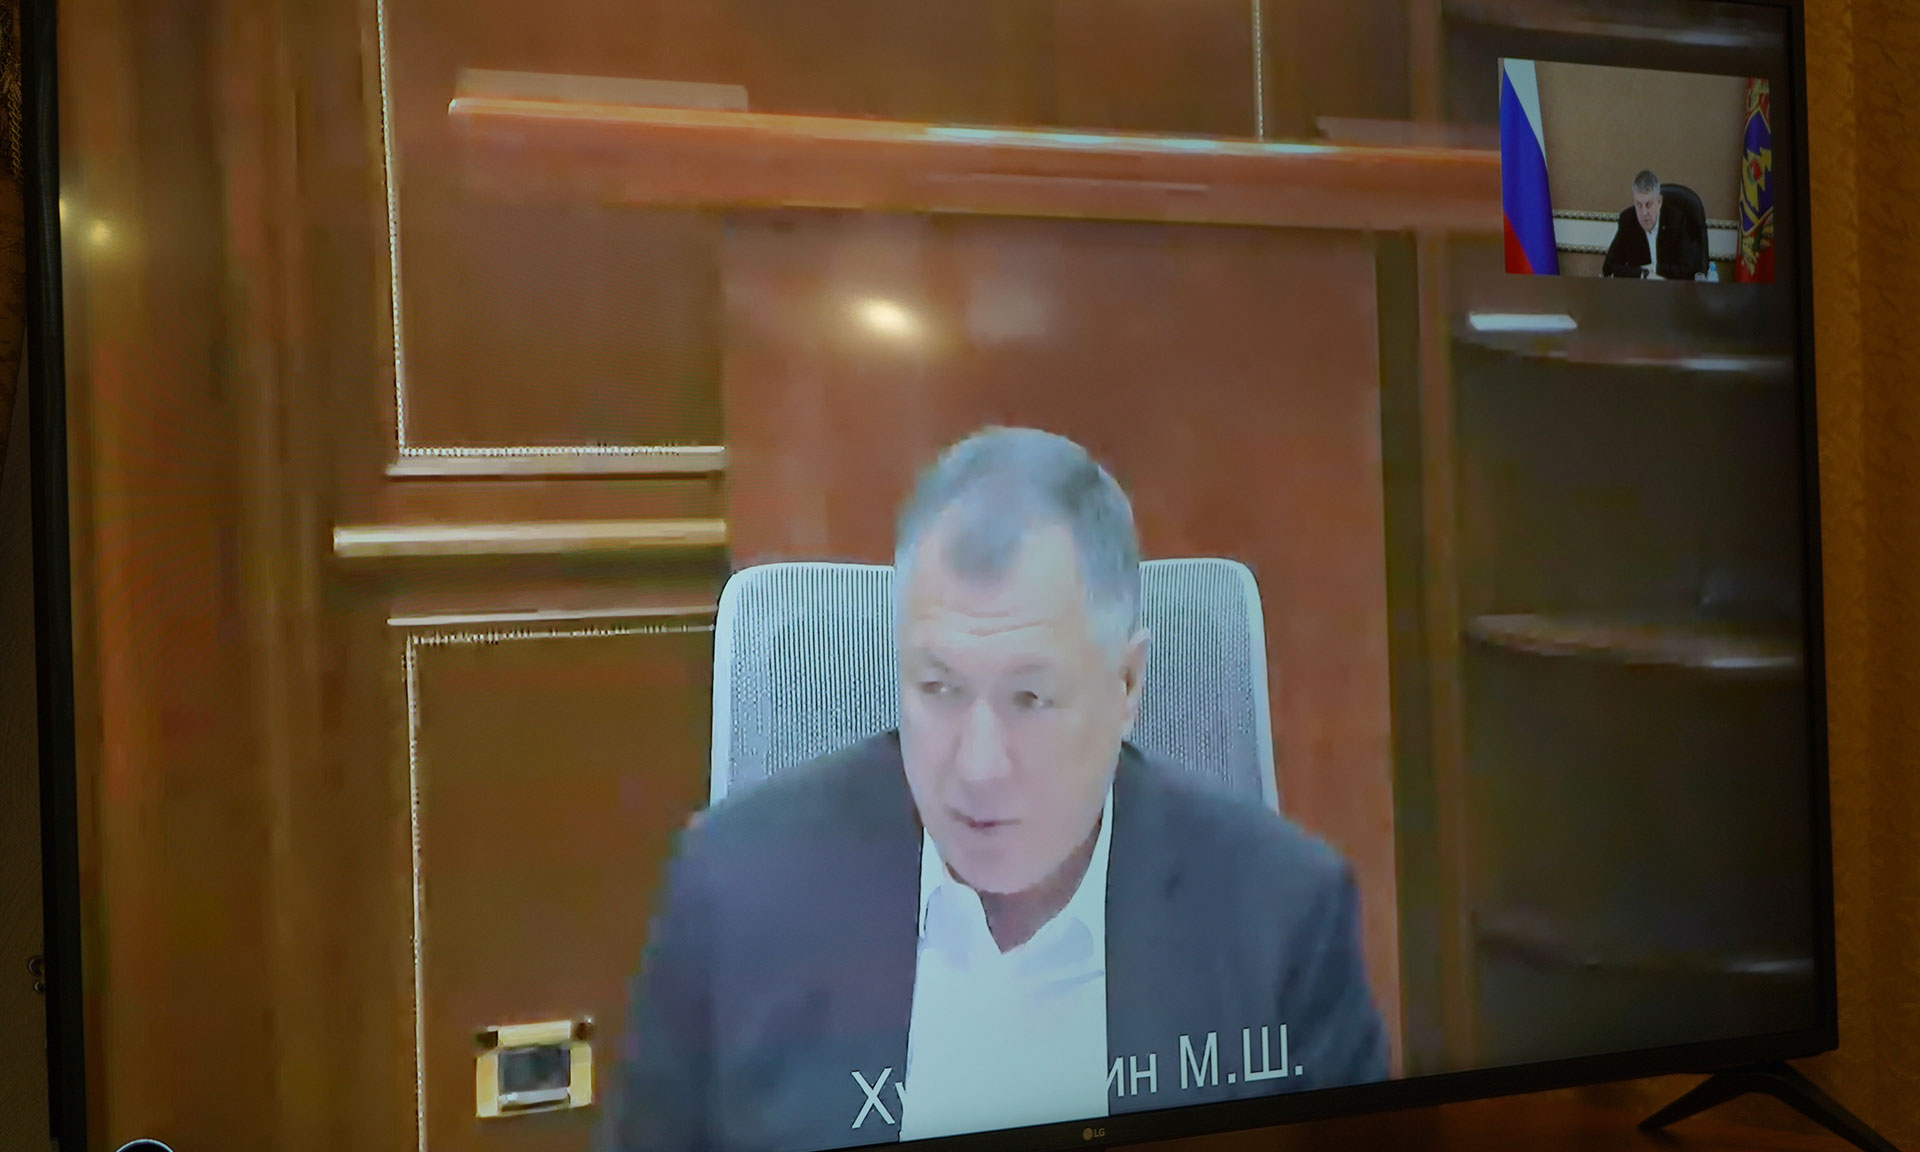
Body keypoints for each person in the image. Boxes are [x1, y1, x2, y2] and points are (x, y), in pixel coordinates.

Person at [601, 428, 1389, 1152]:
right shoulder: (736, 894)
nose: (978, 767)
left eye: (1031, 699)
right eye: (939, 689)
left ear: (1126, 685)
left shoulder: (1283, 919)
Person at [1602, 169, 1705, 280]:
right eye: (1639, 205)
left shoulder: (1676, 220)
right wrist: (1643, 273)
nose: (1644, 213)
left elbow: (1688, 269)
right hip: (1641, 288)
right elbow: (1608, 267)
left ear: (1659, 202)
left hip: (1671, 288)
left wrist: (1656, 268)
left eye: (1648, 204)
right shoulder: (1628, 221)